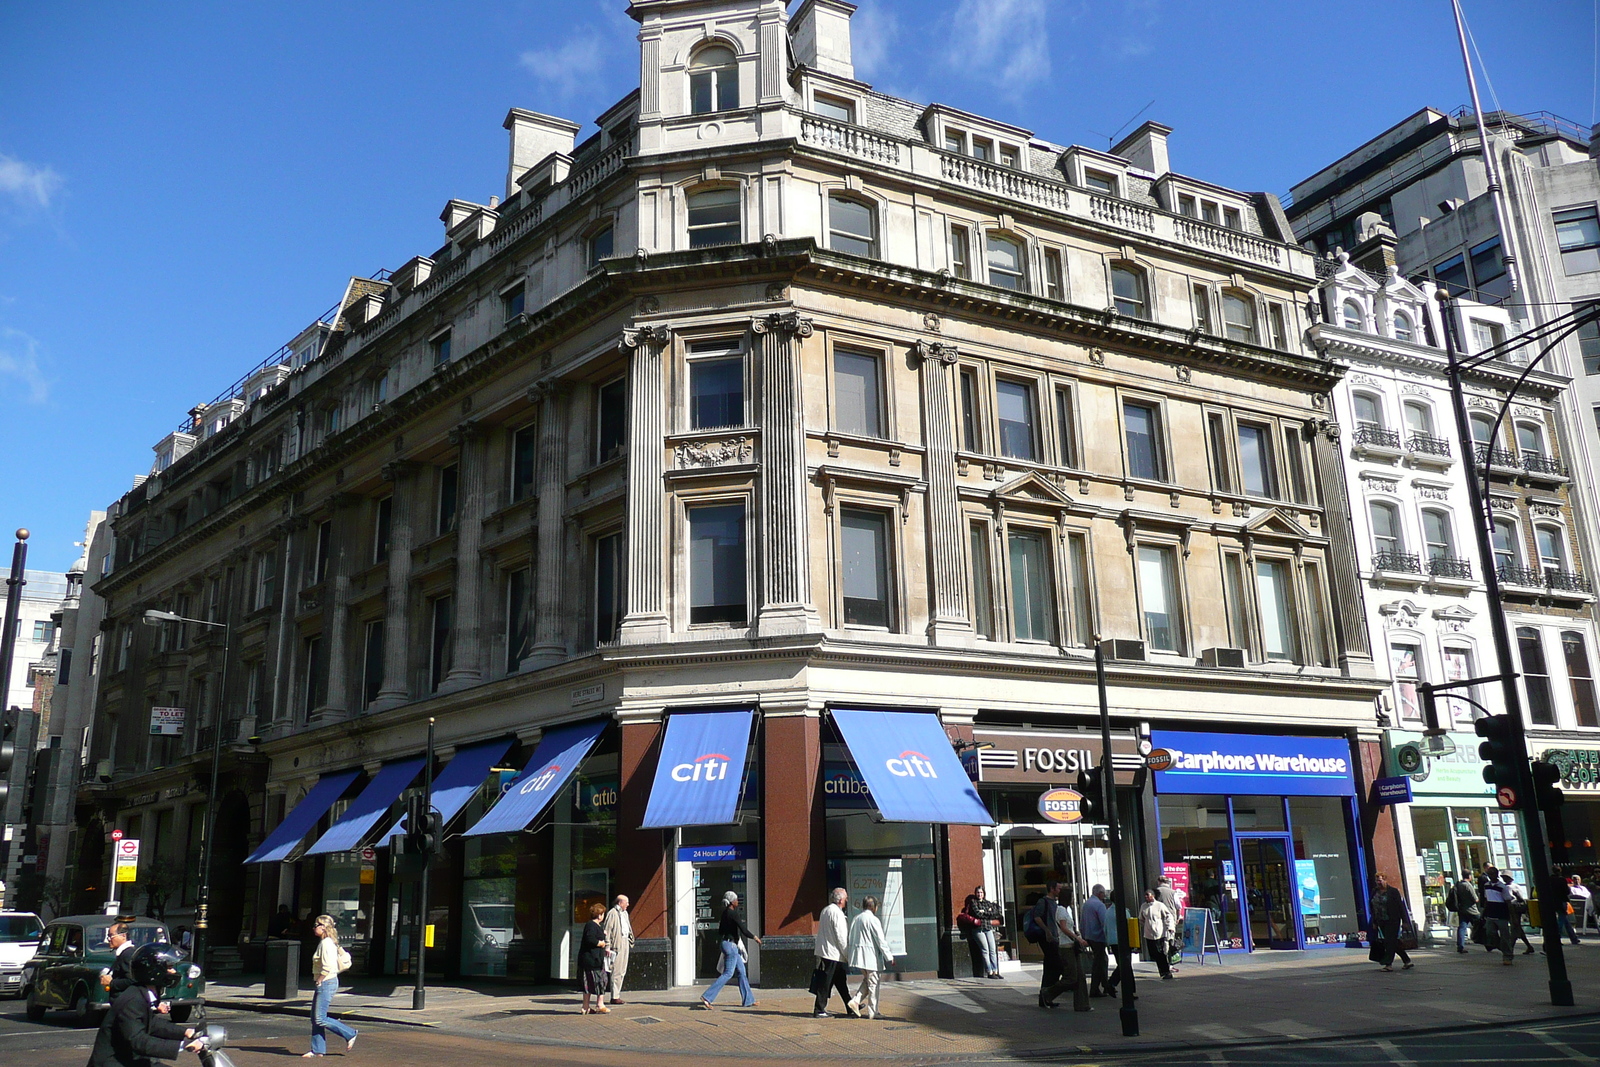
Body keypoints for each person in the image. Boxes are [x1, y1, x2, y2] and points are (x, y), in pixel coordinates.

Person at [87, 943, 205, 1067]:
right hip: (113, 1062)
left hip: (129, 1059)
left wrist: (187, 1032)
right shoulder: (133, 1000)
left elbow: (152, 1023)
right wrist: (183, 1045)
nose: (174, 971)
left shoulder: (141, 993)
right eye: (169, 967)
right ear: (154, 971)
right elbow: (138, 1040)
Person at [1031, 881, 1089, 1012]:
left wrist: (1075, 932)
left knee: (1075, 975)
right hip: (1060, 944)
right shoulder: (1056, 907)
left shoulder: (1063, 909)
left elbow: (1067, 926)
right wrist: (1048, 931)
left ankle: (1081, 1004)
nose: (1059, 890)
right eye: (1058, 888)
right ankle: (1047, 993)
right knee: (1068, 976)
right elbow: (1060, 926)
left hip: (1065, 944)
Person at [305, 914, 358, 1056]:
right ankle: (317, 1050)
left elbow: (327, 966)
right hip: (326, 981)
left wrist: (320, 979)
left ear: (323, 927)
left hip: (326, 982)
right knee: (315, 1018)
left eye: (316, 925)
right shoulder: (328, 942)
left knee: (319, 1018)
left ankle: (350, 1033)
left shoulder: (326, 943)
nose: (313, 928)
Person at [700, 891, 760, 1009]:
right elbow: (743, 929)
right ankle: (707, 997)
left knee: (742, 972)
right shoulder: (733, 914)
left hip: (727, 944)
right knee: (728, 973)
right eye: (736, 900)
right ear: (732, 902)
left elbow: (721, 931)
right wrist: (755, 937)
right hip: (731, 945)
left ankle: (748, 1000)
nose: (738, 901)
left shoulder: (724, 914)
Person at [845, 896, 894, 1020]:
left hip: (859, 957)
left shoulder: (856, 919)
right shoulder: (873, 920)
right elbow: (880, 940)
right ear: (874, 907)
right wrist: (888, 956)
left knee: (868, 981)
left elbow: (851, 938)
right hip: (870, 958)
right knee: (873, 984)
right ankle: (873, 1012)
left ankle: (855, 1001)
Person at [812, 887, 856, 1018]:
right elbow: (841, 937)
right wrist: (848, 955)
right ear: (841, 900)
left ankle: (851, 1006)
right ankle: (819, 1009)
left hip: (826, 952)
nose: (847, 900)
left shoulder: (825, 910)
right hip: (833, 954)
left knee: (840, 982)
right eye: (846, 898)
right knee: (826, 983)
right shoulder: (837, 913)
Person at [1369, 873, 1413, 972]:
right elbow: (1372, 907)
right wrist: (1374, 922)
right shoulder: (1374, 891)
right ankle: (1407, 961)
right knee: (1392, 942)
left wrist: (1405, 921)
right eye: (1377, 880)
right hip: (1381, 920)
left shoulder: (1393, 892)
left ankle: (1388, 964)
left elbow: (1401, 907)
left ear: (1385, 880)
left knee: (1389, 941)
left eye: (1380, 880)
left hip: (1392, 920)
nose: (1378, 882)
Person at [957, 887, 1001, 979]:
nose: (979, 894)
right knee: (985, 950)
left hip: (988, 927)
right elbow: (978, 914)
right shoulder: (973, 902)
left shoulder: (987, 902)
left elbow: (994, 913)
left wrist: (985, 912)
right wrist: (986, 912)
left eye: (981, 892)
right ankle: (989, 972)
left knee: (993, 950)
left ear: (984, 893)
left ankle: (995, 971)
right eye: (978, 892)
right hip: (978, 929)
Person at [602, 894, 635, 1005]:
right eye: (626, 902)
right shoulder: (612, 913)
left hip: (625, 942)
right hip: (617, 944)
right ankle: (614, 996)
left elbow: (628, 928)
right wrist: (607, 945)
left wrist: (631, 940)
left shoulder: (625, 913)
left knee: (622, 970)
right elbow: (607, 930)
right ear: (620, 902)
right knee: (616, 970)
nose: (628, 905)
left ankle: (617, 994)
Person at [578, 902, 610, 1015]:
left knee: (589, 983)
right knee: (600, 981)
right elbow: (590, 939)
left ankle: (585, 1007)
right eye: (602, 913)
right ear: (599, 915)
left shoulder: (595, 926)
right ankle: (599, 1004)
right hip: (592, 960)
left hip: (593, 960)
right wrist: (600, 943)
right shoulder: (591, 925)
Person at [1481, 866, 1516, 964]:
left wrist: (1512, 917)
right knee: (1490, 933)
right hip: (1490, 914)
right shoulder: (1486, 885)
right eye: (1489, 874)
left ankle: (1507, 956)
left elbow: (1508, 901)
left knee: (1505, 936)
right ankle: (1502, 947)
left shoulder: (1502, 887)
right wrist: (1483, 913)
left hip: (1501, 915)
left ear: (1497, 875)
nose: (1491, 876)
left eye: (1492, 874)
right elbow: (1486, 900)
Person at [1140, 890, 1177, 980]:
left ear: (1153, 896)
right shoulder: (1144, 906)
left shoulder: (1160, 905)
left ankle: (1166, 972)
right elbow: (1141, 918)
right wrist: (1145, 926)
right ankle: (1163, 970)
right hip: (1149, 934)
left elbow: (1169, 916)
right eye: (1145, 895)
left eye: (1148, 895)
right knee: (1153, 953)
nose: (1146, 897)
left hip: (1159, 933)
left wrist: (1170, 927)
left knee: (1161, 953)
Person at [1502, 872, 1535, 954]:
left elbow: (1513, 899)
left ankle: (1511, 948)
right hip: (1515, 908)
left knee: (1514, 928)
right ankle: (1528, 946)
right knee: (1517, 928)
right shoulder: (1515, 886)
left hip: (1513, 908)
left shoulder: (1509, 887)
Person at [1445, 875, 1480, 954]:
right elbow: (1475, 899)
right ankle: (1486, 942)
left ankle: (1460, 946)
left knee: (1462, 927)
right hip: (1472, 910)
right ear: (1470, 876)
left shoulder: (1458, 884)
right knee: (1480, 924)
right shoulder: (1468, 885)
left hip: (1461, 910)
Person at [101, 922, 137, 997]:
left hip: (125, 1004)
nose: (108, 940)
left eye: (111, 936)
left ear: (123, 935)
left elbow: (132, 980)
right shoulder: (125, 953)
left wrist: (111, 982)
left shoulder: (128, 954)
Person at [1570, 875, 1592, 941]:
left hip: (1587, 904)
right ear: (1572, 881)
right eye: (1575, 879)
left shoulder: (1584, 888)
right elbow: (1575, 896)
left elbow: (1588, 895)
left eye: (1578, 879)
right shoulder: (1571, 888)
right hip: (1578, 905)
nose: (1576, 881)